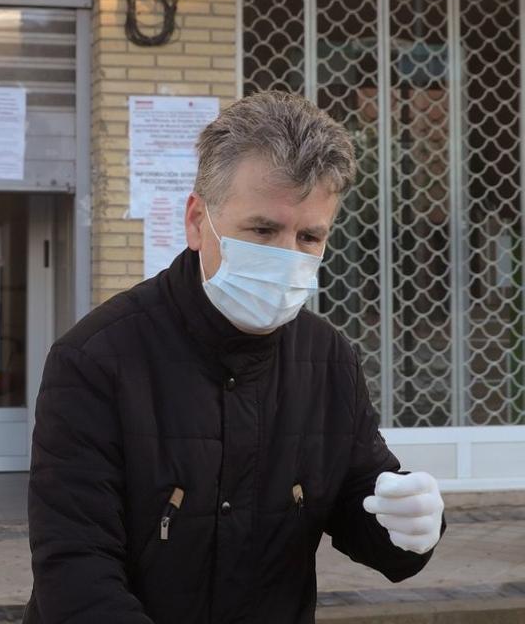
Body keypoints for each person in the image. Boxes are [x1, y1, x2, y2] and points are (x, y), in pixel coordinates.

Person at [25, 91, 445, 623]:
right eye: (263, 230)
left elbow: (363, 503)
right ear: (199, 221)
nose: (286, 256)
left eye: (310, 235)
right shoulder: (96, 360)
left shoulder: (327, 358)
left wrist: (407, 526)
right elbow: (75, 571)